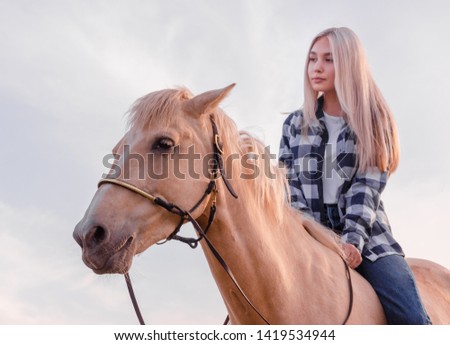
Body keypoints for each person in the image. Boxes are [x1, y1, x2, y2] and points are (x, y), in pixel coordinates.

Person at [278, 27, 431, 325]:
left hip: (369, 238)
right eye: (312, 59)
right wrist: (311, 236)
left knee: (411, 317)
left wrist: (352, 240)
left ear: (349, 64)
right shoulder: (295, 124)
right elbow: (290, 187)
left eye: (328, 59)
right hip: (309, 234)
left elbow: (367, 187)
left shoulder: (373, 120)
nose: (317, 67)